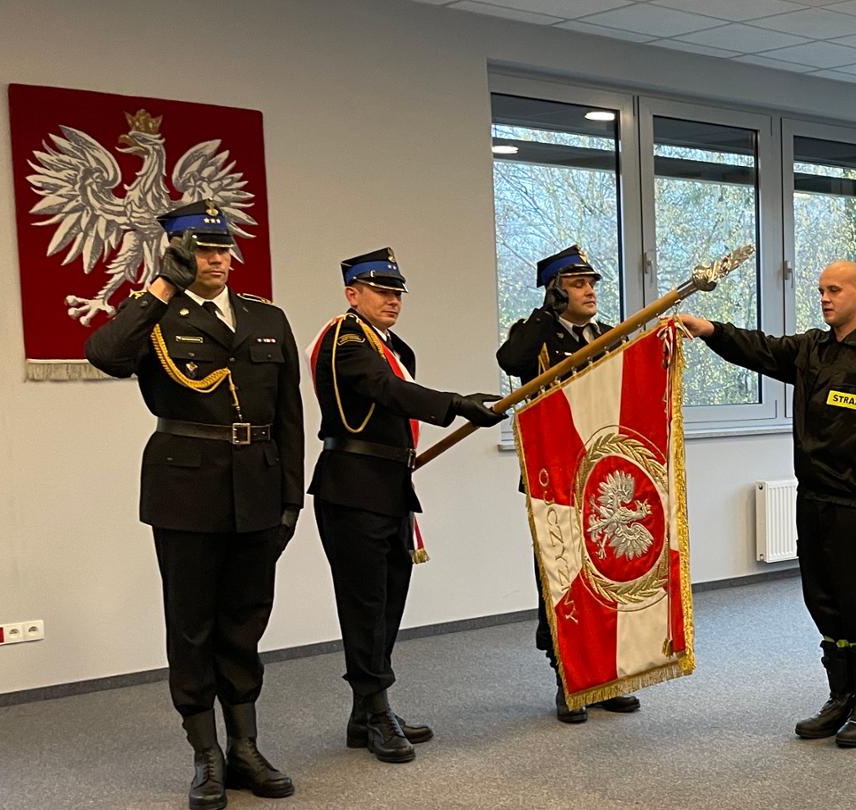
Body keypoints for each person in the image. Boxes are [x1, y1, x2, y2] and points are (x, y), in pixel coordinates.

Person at [84, 200, 301, 810]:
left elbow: (289, 416)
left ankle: (246, 749)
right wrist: (158, 288)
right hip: (186, 489)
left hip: (257, 486)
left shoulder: (267, 317)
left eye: (222, 248)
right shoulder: (156, 316)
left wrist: (291, 499)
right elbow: (104, 353)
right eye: (201, 249)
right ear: (177, 252)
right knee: (192, 623)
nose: (216, 259)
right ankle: (206, 755)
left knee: (245, 619)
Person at [675, 260, 856, 749]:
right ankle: (841, 697)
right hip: (812, 501)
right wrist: (709, 330)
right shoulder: (811, 349)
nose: (825, 298)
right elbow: (759, 349)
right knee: (823, 603)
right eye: (821, 291)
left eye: (834, 290)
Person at [308, 248, 505, 764]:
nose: (392, 299)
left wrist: (452, 406)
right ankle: (376, 711)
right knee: (365, 603)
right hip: (352, 485)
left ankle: (365, 710)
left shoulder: (387, 342)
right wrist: (454, 404)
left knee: (388, 599)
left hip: (386, 483)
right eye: (380, 290)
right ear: (353, 294)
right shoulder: (345, 338)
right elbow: (384, 389)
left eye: (397, 292)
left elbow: (394, 391)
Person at [495, 245, 643, 724]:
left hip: (600, 475)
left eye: (592, 283)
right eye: (579, 284)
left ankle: (605, 675)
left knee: (605, 571)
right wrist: (546, 313)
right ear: (556, 290)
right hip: (553, 476)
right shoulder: (533, 334)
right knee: (562, 576)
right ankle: (568, 677)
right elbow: (511, 361)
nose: (590, 291)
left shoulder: (605, 334)